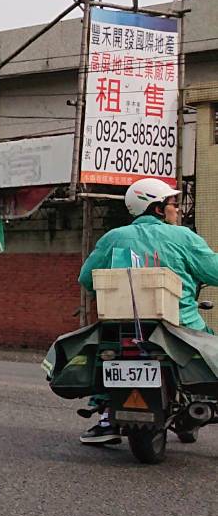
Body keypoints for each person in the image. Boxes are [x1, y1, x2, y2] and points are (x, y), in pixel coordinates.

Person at [75, 177, 218, 444]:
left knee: (105, 357)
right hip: (181, 327)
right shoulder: (183, 236)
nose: (176, 209)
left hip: (121, 327)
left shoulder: (113, 237)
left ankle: (106, 417)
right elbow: (215, 271)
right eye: (173, 204)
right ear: (157, 209)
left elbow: (86, 278)